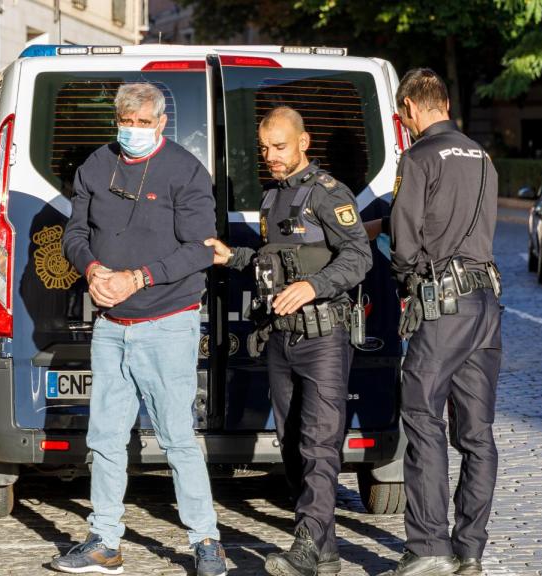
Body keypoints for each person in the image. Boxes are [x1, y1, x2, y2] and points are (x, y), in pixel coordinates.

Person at [56, 82, 228, 576]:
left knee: (177, 437)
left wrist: (138, 277)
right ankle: (104, 541)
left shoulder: (186, 171)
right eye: (125, 123)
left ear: (160, 124)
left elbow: (201, 248)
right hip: (111, 326)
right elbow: (76, 232)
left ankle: (206, 541)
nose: (132, 132)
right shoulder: (96, 164)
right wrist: (91, 270)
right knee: (105, 437)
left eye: (142, 124)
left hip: (166, 323)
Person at [206, 106, 372, 576]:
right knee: (294, 445)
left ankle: (304, 547)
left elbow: (359, 256)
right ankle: (327, 549)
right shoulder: (272, 199)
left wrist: (314, 287)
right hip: (280, 339)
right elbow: (270, 260)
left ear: (303, 141)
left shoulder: (328, 194)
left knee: (320, 444)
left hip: (323, 338)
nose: (270, 156)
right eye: (264, 149)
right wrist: (231, 257)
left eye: (279, 147)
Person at [379, 68, 501, 576]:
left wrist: (405, 281)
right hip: (486, 307)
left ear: (410, 108)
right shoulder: (484, 156)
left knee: (424, 421)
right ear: (447, 103)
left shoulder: (419, 156)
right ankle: (470, 551)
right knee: (477, 435)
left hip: (441, 307)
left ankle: (429, 546)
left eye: (402, 115)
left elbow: (406, 242)